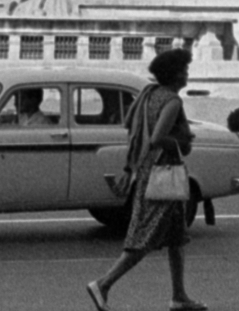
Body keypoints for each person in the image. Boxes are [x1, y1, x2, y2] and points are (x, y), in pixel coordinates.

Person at [87, 47, 204, 311]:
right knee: (144, 237)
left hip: (149, 172)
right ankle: (103, 284)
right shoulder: (172, 101)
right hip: (163, 175)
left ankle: (179, 296)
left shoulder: (149, 95)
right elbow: (156, 138)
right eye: (184, 70)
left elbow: (139, 134)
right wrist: (182, 141)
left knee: (176, 238)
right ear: (175, 75)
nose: (187, 74)